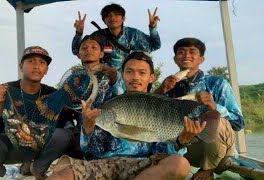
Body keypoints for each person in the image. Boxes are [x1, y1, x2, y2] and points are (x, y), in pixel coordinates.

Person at [47, 51, 207, 180]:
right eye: (129, 72)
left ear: (151, 77)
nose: (135, 77)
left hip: (145, 167)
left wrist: (180, 141)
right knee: (60, 176)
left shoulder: (162, 105)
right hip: (105, 165)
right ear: (122, 75)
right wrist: (87, 131)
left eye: (142, 72)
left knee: (180, 164)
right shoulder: (107, 105)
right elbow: (91, 153)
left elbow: (162, 153)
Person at [0, 46, 79, 180]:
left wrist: (70, 104)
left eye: (42, 63)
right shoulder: (3, 90)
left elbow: (66, 125)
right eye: (31, 61)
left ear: (46, 70)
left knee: (65, 135)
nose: (36, 66)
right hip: (10, 147)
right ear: (21, 66)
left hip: (39, 147)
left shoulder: (53, 94)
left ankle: (37, 168)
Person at [155, 37, 246, 179]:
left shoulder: (217, 83)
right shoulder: (169, 85)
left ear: (201, 60)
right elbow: (152, 117)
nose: (186, 55)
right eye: (181, 52)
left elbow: (238, 123)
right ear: (175, 59)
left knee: (215, 118)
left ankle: (207, 169)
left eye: (192, 52)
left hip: (219, 150)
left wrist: (215, 106)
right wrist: (160, 91)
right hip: (187, 148)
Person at [72, 3, 161, 71]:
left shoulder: (132, 34)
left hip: (123, 79)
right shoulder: (98, 36)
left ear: (123, 18)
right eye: (108, 15)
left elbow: (154, 45)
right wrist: (79, 33)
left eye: (116, 14)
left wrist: (153, 27)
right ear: (104, 20)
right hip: (99, 76)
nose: (112, 17)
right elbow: (77, 51)